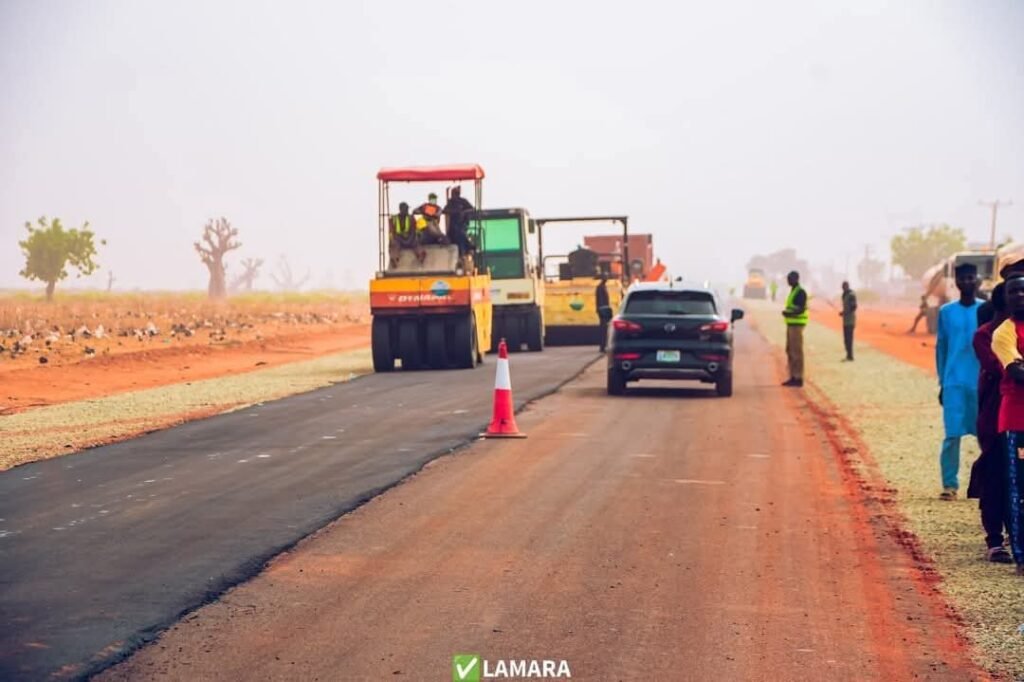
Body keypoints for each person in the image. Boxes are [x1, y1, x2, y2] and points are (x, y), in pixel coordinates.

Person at [969, 282, 1012, 562]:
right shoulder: (985, 335)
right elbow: (1002, 369)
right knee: (996, 472)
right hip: (995, 414)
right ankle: (994, 539)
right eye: (1015, 294)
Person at [935, 262, 981, 500]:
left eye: (971, 277)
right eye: (962, 278)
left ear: (978, 280)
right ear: (956, 281)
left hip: (980, 382)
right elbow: (941, 348)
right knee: (952, 435)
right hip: (953, 383)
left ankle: (988, 484)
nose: (967, 282)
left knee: (986, 436)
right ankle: (949, 485)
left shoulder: (987, 310)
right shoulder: (946, 312)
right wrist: (942, 382)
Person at [991, 273, 1024, 573]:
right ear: (1006, 297)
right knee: (1018, 491)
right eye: (1014, 291)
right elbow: (1016, 372)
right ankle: (1022, 556)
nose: (1020, 295)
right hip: (1016, 422)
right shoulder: (1004, 333)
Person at [781, 270, 808, 387]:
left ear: (796, 279)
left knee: (796, 352)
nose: (788, 281)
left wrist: (789, 313)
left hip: (797, 325)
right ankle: (792, 376)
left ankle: (798, 377)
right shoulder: (793, 291)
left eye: (790, 278)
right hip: (791, 325)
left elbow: (801, 309)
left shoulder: (800, 292)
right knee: (790, 351)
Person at [388, 202, 424, 268]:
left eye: (407, 209)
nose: (407, 211)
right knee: (395, 246)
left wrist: (414, 238)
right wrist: (392, 240)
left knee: (416, 244)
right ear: (401, 209)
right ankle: (394, 259)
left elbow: (415, 229)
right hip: (398, 238)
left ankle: (421, 255)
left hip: (409, 238)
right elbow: (391, 231)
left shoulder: (411, 218)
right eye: (406, 209)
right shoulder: (393, 219)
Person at [443, 186, 476, 257]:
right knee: (457, 232)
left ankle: (464, 251)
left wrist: (464, 212)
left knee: (460, 232)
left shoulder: (463, 201)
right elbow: (444, 211)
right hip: (452, 226)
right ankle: (466, 248)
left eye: (456, 193)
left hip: (462, 224)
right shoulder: (450, 203)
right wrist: (453, 212)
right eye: (454, 193)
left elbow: (472, 209)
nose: (455, 194)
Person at [839, 281, 857, 361]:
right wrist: (843, 313)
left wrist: (845, 312)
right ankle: (848, 355)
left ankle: (850, 356)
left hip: (850, 321)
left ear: (847, 286)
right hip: (845, 321)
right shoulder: (844, 295)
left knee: (849, 339)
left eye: (844, 286)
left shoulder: (851, 295)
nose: (843, 288)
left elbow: (854, 307)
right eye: (842, 286)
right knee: (846, 339)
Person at [596, 273, 612, 352]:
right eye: (605, 277)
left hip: (605, 310)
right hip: (603, 311)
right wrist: (602, 310)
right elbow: (600, 300)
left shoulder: (603, 287)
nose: (607, 278)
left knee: (605, 329)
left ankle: (604, 346)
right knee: (603, 329)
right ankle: (602, 347)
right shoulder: (600, 287)